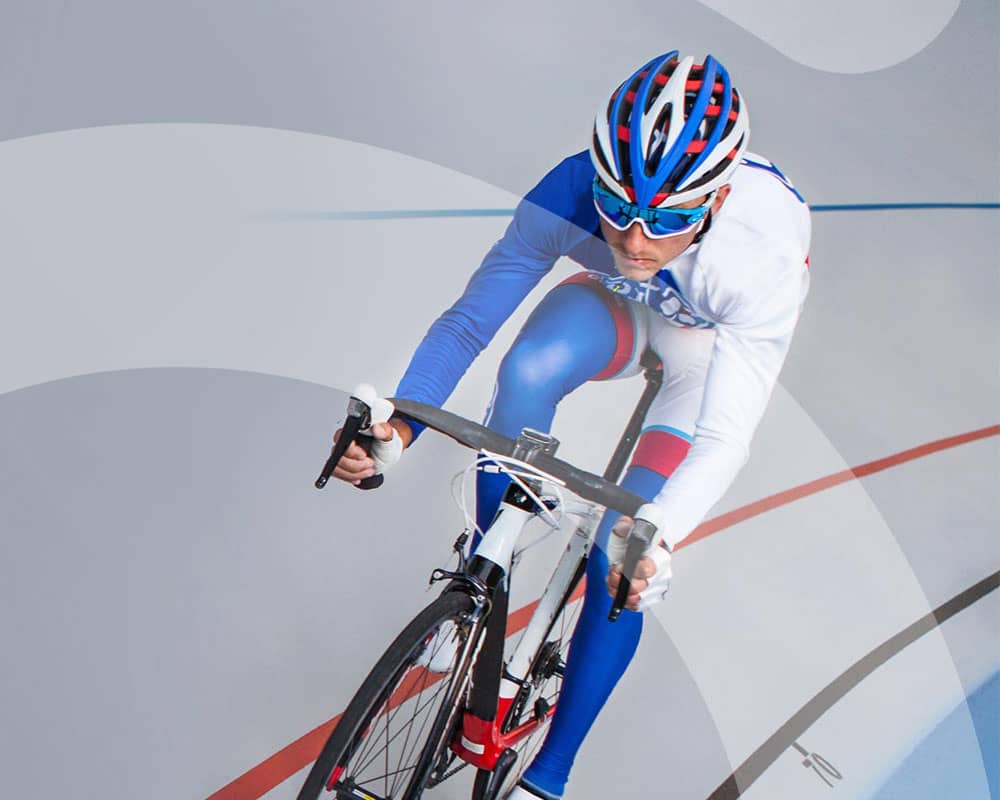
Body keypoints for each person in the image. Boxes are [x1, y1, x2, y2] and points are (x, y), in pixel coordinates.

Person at [331, 50, 810, 799]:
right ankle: (484, 583)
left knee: (619, 560)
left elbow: (723, 438)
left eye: (671, 220)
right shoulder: (567, 193)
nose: (639, 240)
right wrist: (399, 429)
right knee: (526, 370)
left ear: (713, 206)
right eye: (619, 211)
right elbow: (467, 326)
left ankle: (548, 776)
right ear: (597, 181)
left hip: (701, 353)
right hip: (615, 309)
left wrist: (657, 536)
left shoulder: (759, 260)